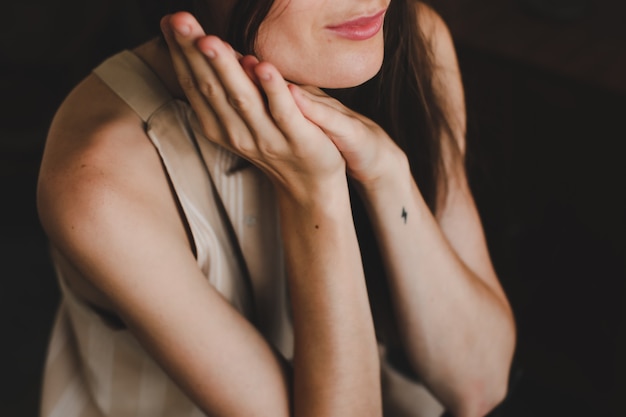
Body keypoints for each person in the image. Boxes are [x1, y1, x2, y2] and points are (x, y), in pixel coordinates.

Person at [37, 0, 516, 416]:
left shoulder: (408, 38)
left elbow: (480, 386)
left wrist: (387, 172)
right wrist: (316, 192)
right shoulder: (99, 179)